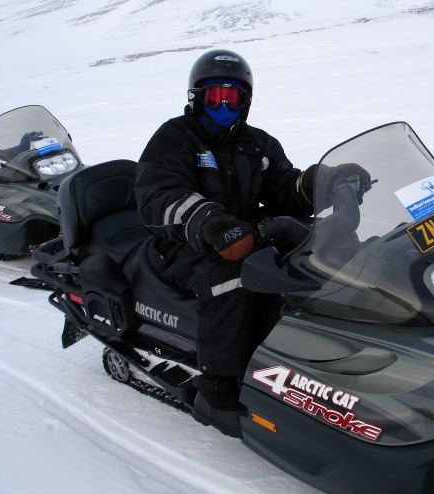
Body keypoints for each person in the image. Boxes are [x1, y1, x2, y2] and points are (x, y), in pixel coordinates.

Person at [134, 49, 317, 437]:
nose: (223, 105)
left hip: (242, 234)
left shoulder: (257, 144)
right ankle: (217, 387)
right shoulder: (175, 138)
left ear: (245, 101)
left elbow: (284, 185)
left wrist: (318, 184)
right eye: (215, 95)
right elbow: (158, 195)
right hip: (184, 243)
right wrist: (208, 223)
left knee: (306, 253)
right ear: (197, 97)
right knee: (233, 276)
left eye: (232, 97)